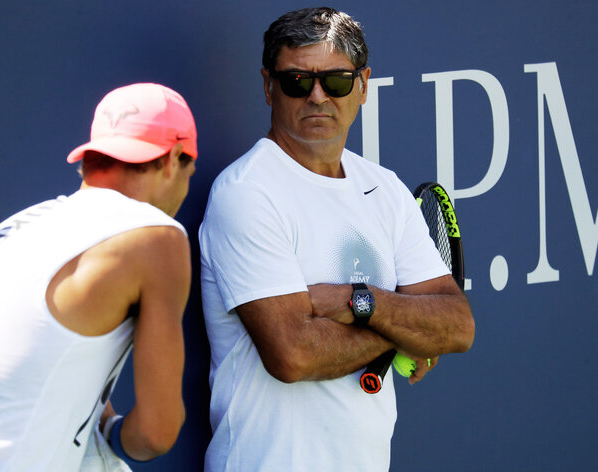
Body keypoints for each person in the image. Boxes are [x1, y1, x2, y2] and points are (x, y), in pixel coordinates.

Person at [199, 7, 474, 471]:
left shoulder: (384, 188)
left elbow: (457, 326)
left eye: (337, 81)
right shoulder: (246, 193)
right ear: (269, 86)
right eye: (297, 82)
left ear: (363, 85)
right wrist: (403, 335)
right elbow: (293, 355)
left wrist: (358, 301)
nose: (318, 97)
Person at [0, 83, 198, 471]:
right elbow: (155, 434)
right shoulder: (156, 236)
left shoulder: (15, 228)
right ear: (174, 159)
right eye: (190, 170)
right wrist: (113, 433)